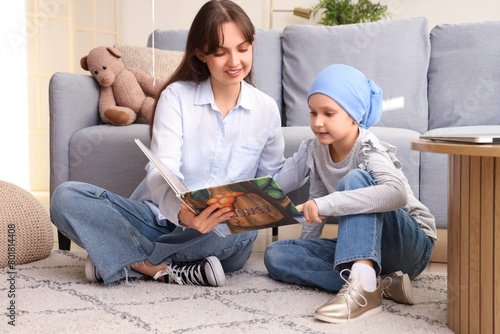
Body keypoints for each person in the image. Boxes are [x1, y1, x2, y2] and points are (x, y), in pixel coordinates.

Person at [50, 0, 308, 287]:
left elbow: (271, 180)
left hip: (218, 232)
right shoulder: (176, 97)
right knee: (66, 198)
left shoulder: (266, 109)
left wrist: (312, 154)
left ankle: (126, 259)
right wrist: (183, 213)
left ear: (252, 44)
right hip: (156, 220)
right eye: (221, 53)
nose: (234, 62)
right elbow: (163, 169)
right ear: (200, 54)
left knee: (245, 233)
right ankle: (162, 267)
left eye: (242, 49)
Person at [264, 64, 437, 323]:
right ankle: (378, 281)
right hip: (369, 249)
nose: (317, 122)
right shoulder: (317, 149)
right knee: (276, 255)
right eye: (313, 112)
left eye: (328, 113)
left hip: (411, 246)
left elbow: (396, 195)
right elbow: (314, 200)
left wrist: (325, 204)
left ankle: (364, 289)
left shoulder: (368, 148)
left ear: (353, 116)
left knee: (356, 179)